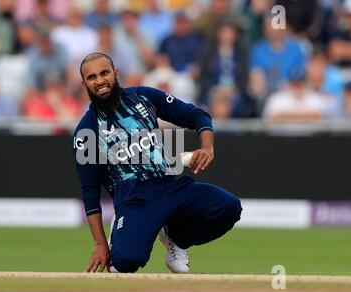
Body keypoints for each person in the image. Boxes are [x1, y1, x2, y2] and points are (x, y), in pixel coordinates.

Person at [73, 52, 242, 273]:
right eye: (92, 77)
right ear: (84, 83)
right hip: (134, 198)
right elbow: (90, 192)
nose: (100, 81)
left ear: (115, 73)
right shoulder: (85, 131)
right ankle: (122, 227)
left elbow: (197, 115)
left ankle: (175, 237)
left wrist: (207, 146)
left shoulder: (144, 96)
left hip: (169, 185)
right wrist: (99, 244)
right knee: (124, 263)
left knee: (229, 208)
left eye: (104, 73)